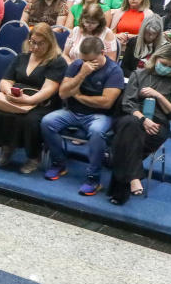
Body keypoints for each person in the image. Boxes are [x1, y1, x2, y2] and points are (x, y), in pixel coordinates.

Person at [0, 23, 68, 173]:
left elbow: (48, 89)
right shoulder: (21, 57)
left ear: (50, 42)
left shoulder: (57, 61)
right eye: (32, 42)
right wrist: (8, 93)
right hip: (17, 97)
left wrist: (28, 101)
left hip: (43, 102)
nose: (35, 46)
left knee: (29, 120)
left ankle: (34, 156)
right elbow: (5, 81)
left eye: (40, 43)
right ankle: (7, 147)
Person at [41, 36, 124, 195]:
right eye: (84, 60)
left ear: (102, 52)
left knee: (97, 131)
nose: (87, 64)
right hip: (72, 112)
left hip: (99, 115)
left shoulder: (114, 71)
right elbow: (63, 93)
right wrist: (82, 75)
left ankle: (93, 178)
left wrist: (78, 96)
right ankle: (59, 163)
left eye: (91, 60)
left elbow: (106, 102)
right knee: (47, 122)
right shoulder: (78, 66)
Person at [108, 43, 171, 205]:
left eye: (170, 66)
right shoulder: (139, 74)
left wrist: (159, 96)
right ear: (156, 59)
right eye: (163, 64)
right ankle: (133, 177)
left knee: (126, 142)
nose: (166, 68)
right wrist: (143, 119)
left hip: (158, 124)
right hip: (132, 117)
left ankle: (125, 185)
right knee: (130, 125)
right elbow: (128, 104)